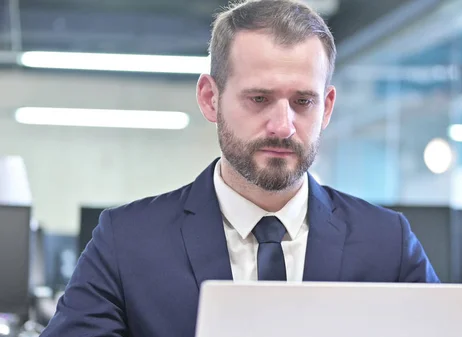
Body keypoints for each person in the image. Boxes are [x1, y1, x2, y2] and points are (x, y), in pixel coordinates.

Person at [40, 0, 439, 336]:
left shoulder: (388, 244)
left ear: (328, 107)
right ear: (210, 98)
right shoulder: (126, 243)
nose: (283, 126)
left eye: (303, 102)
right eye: (259, 98)